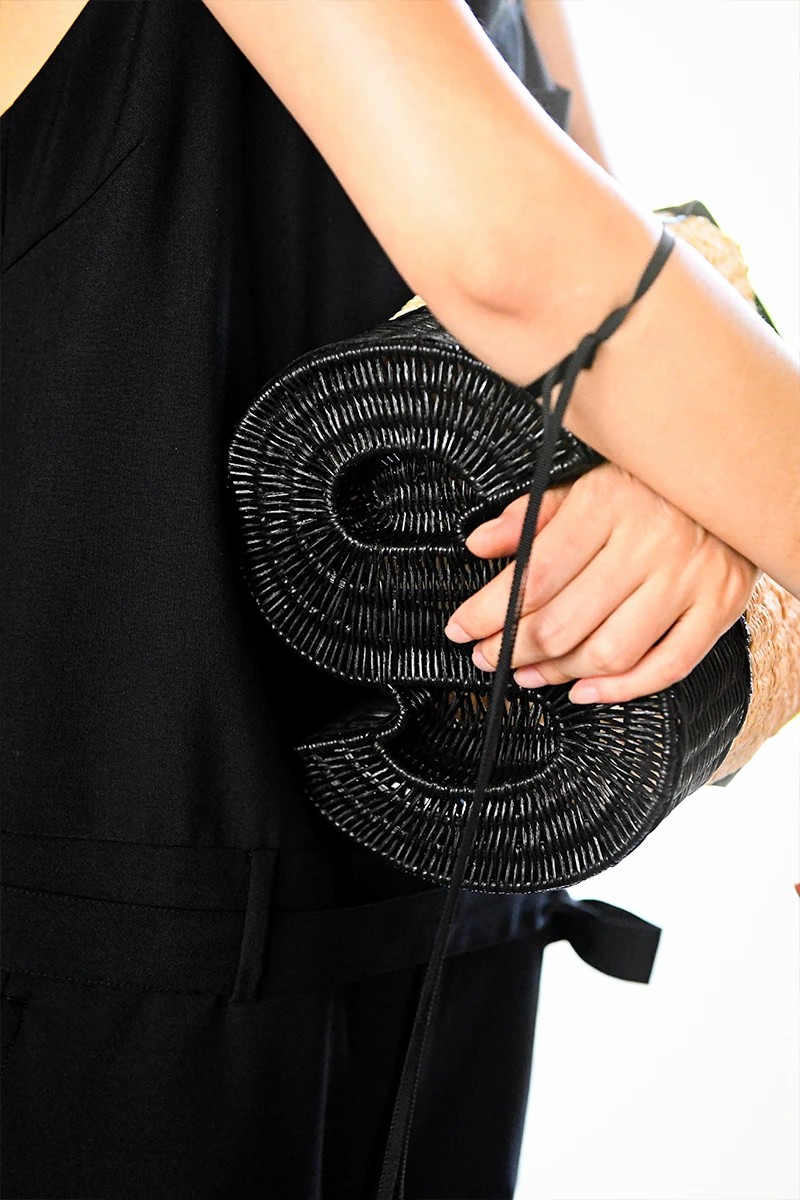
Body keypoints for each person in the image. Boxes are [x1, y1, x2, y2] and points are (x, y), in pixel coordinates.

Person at [0, 3, 797, 1199]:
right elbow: (522, 265)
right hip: (109, 974)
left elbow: (617, 308)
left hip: (441, 927)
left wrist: (670, 501)